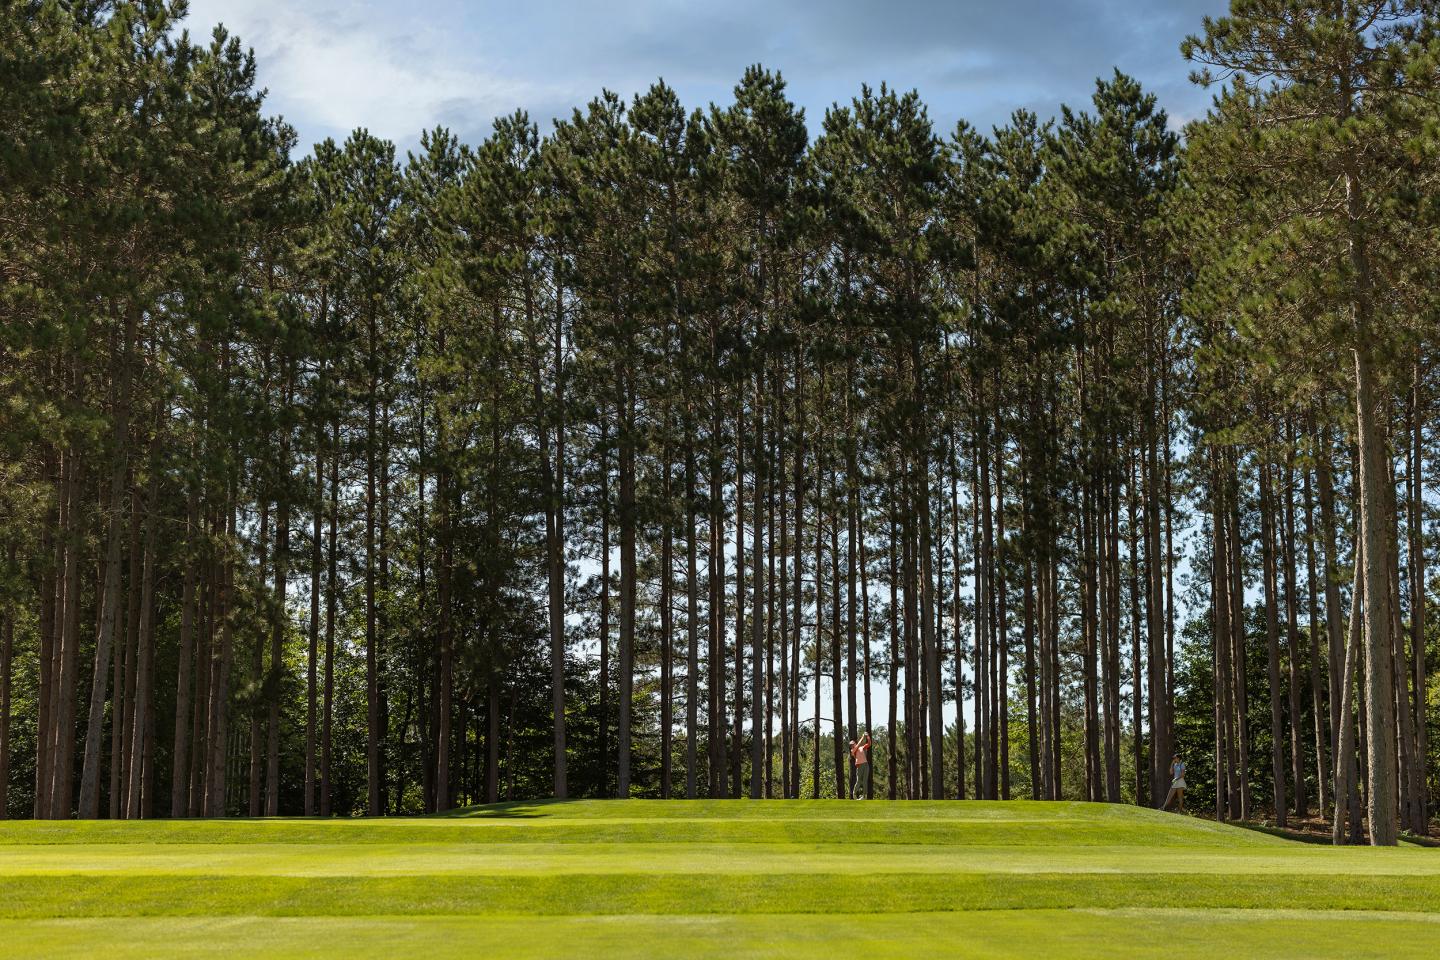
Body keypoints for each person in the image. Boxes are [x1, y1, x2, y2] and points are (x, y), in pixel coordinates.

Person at [849, 732, 871, 799]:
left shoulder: (862, 748)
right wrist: (862, 737)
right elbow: (857, 746)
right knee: (858, 781)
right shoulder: (853, 750)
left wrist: (867, 737)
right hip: (859, 766)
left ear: (855, 743)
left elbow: (869, 744)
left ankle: (865, 796)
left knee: (865, 781)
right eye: (851, 745)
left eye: (853, 743)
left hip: (866, 765)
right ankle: (854, 794)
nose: (852, 745)